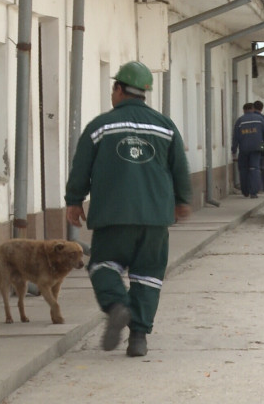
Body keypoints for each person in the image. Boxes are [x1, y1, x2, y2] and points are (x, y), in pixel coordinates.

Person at [65, 61, 192, 357]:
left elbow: (81, 166)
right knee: (147, 276)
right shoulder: (165, 126)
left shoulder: (100, 127)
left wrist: (74, 200)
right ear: (144, 93)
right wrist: (183, 201)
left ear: (119, 89)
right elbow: (180, 167)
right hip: (155, 218)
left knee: (103, 265)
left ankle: (117, 306)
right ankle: (138, 338)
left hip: (113, 215)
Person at [232, 102, 264, 198]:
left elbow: (235, 137)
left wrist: (233, 150)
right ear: (253, 109)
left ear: (244, 110)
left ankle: (245, 191)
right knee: (254, 169)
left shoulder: (240, 121)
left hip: (243, 149)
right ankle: (254, 192)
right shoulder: (260, 119)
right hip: (257, 149)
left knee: (243, 169)